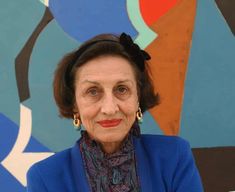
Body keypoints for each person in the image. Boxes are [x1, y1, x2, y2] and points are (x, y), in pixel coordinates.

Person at [27, 33, 203, 192]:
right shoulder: (45, 178)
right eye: (93, 91)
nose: (110, 109)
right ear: (75, 105)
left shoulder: (174, 156)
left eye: (122, 89)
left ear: (138, 98)